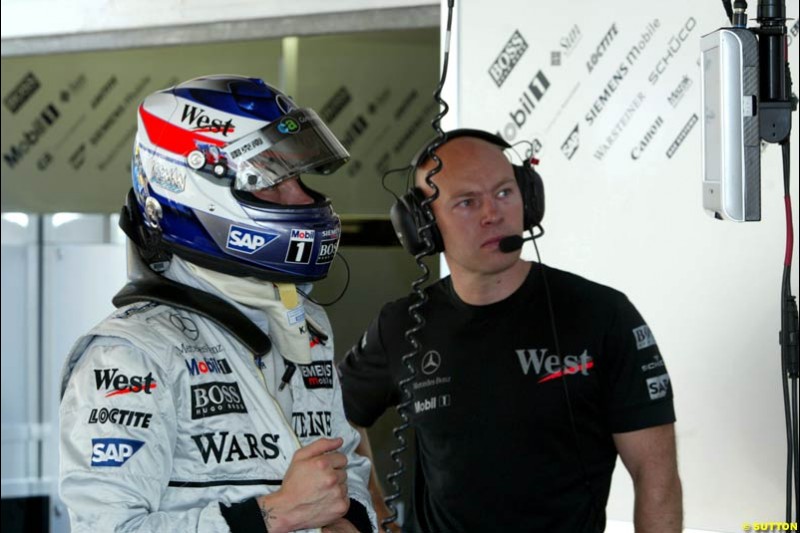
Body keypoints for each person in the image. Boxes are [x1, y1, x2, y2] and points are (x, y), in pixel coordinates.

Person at [59, 75, 376, 533]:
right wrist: (275, 515)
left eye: (297, 177)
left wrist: (350, 519)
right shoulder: (130, 355)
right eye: (271, 181)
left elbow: (343, 469)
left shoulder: (302, 322)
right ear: (192, 186)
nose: (302, 198)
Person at [338, 130, 682, 532]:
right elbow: (336, 413)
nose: (493, 214)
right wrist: (376, 517)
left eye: (504, 193)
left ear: (528, 200)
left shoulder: (602, 315)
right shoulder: (402, 325)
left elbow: (655, 474)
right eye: (467, 202)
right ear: (423, 226)